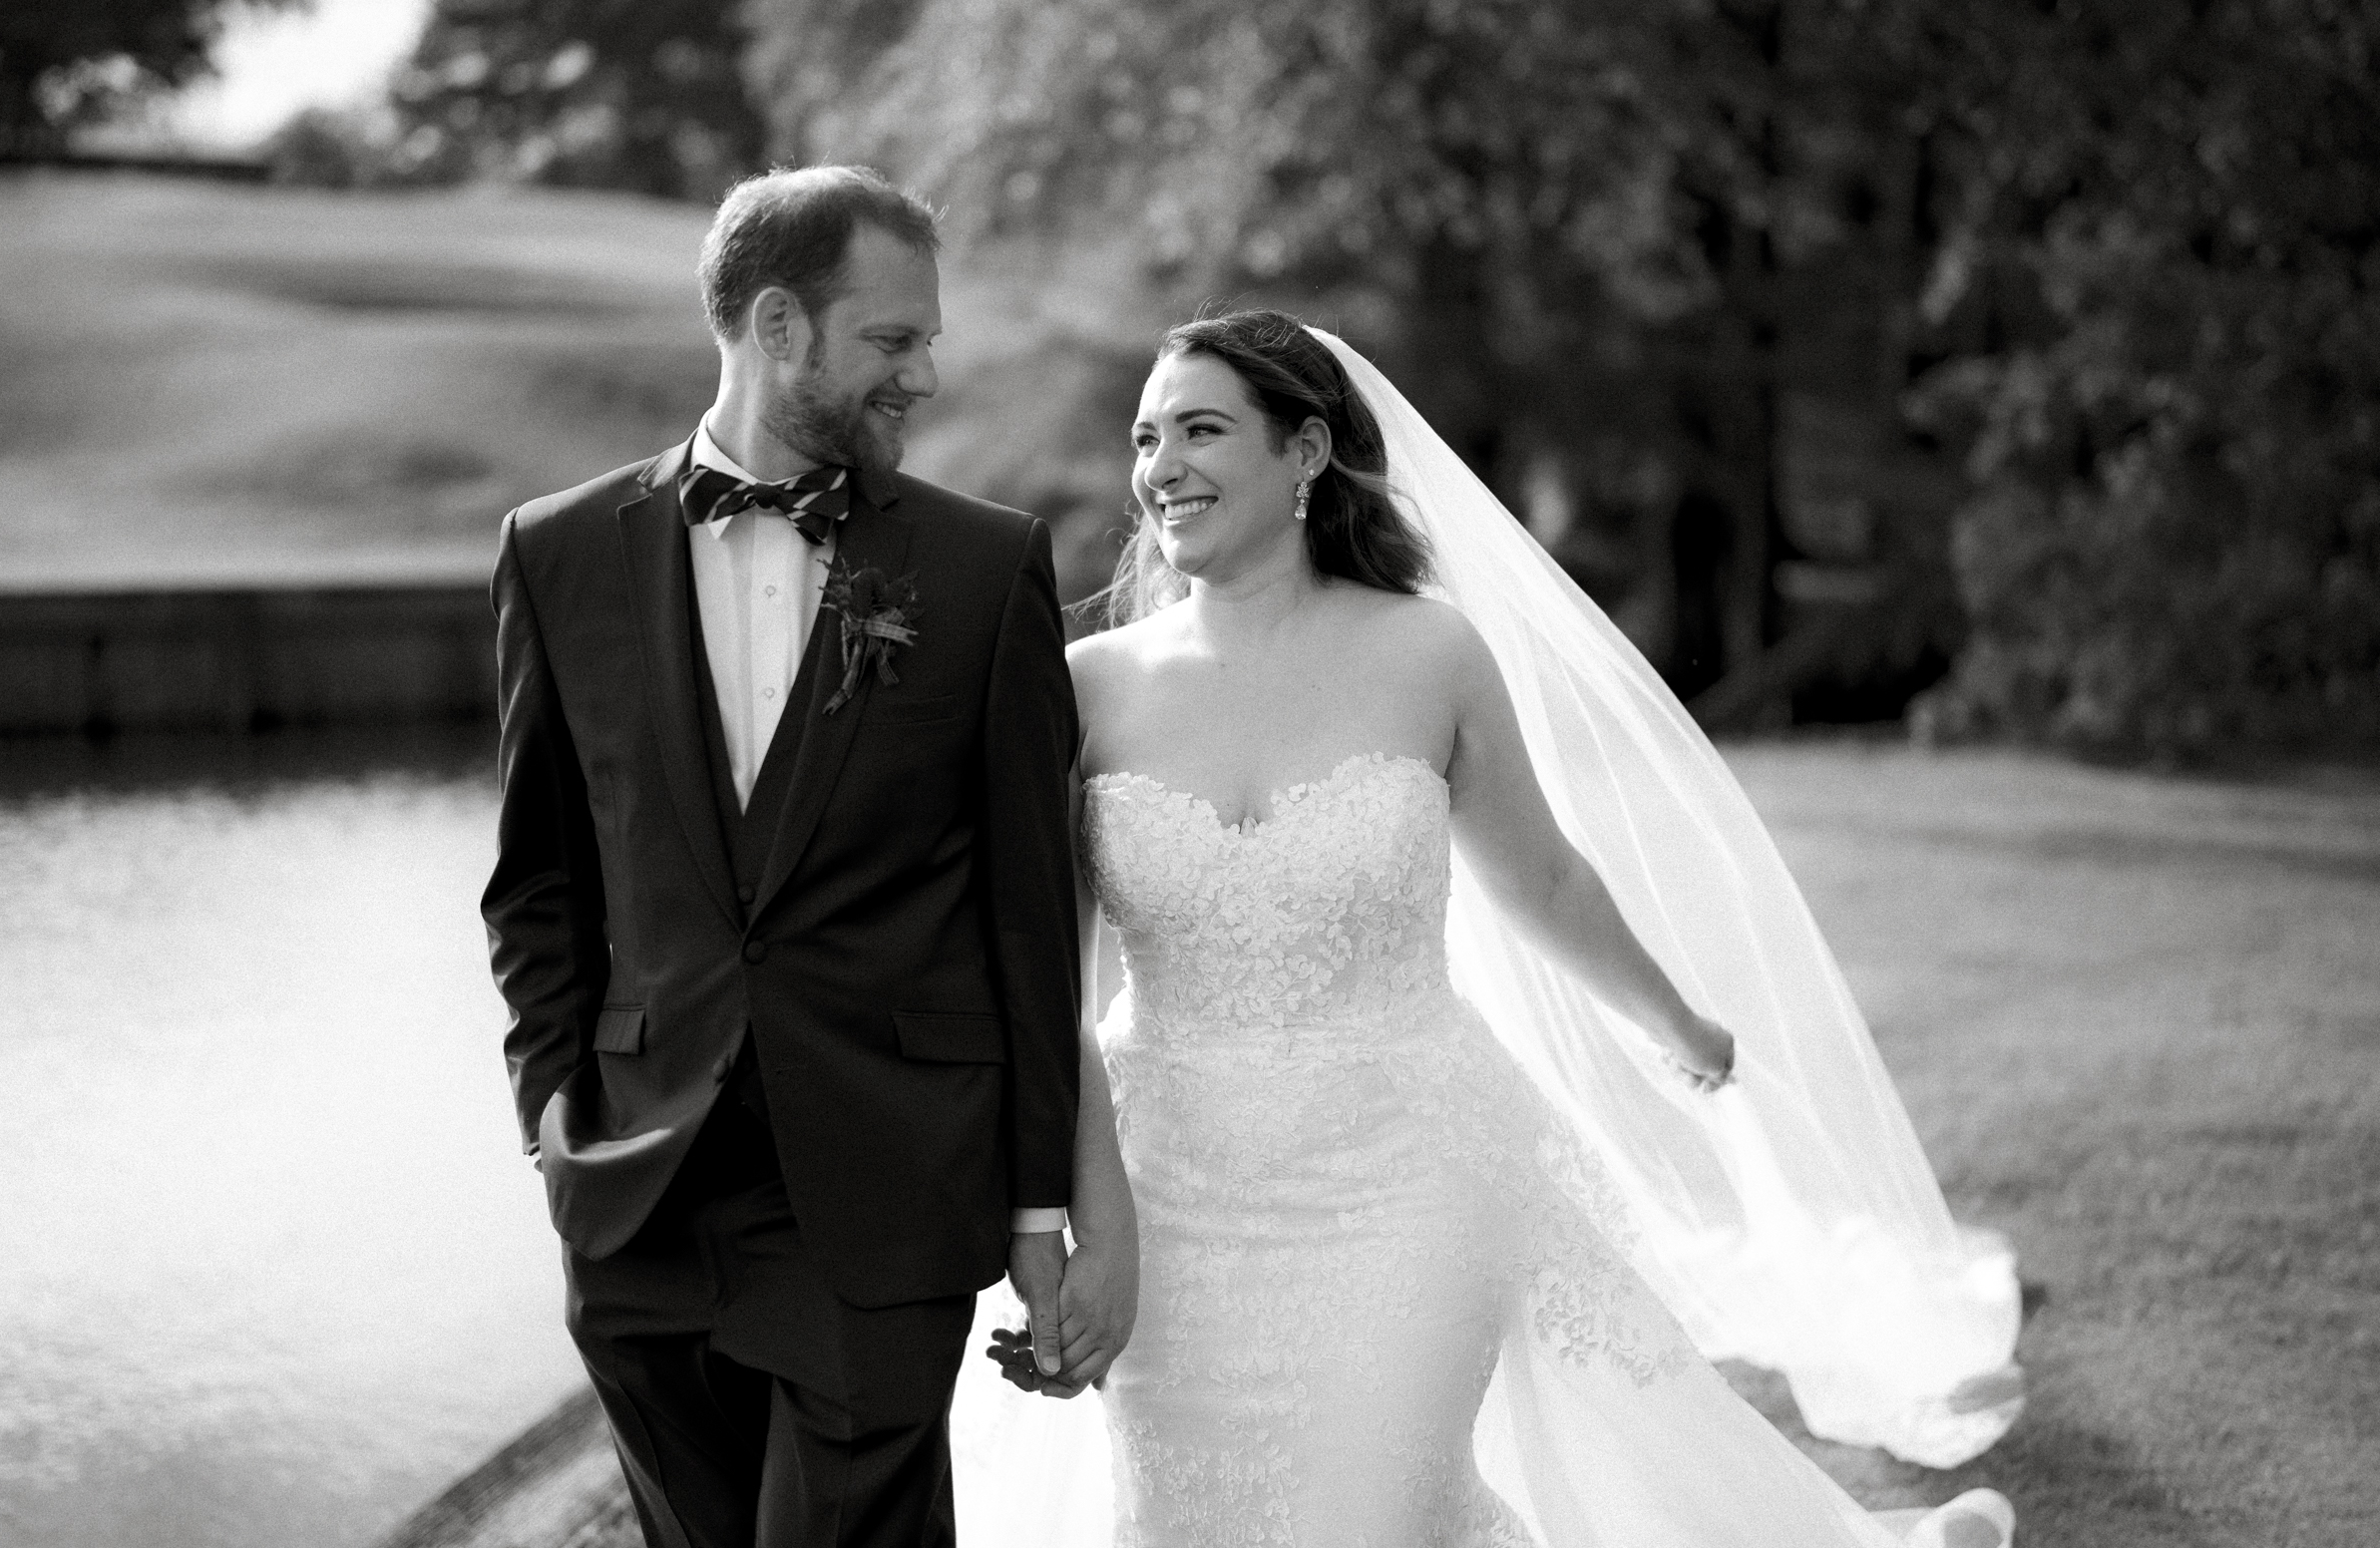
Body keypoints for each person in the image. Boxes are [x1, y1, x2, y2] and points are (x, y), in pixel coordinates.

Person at [971, 309, 2022, 1546]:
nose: (1161, 467)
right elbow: (1050, 988)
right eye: (1148, 437)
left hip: (1405, 1177)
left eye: (1202, 429)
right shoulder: (1091, 686)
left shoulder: (1430, 652)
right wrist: (1081, 1221)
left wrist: (1675, 1020)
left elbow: (1544, 880)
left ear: (1306, 452)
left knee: (1370, 1511)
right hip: (1173, 1196)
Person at [482, 164, 1131, 1548]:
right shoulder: (555, 556)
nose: (926, 376)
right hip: (638, 1199)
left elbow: (1028, 917)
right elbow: (540, 885)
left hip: (882, 1197)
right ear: (777, 328)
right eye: (894, 341)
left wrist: (1036, 1208)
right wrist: (555, 1123)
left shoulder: (981, 569)